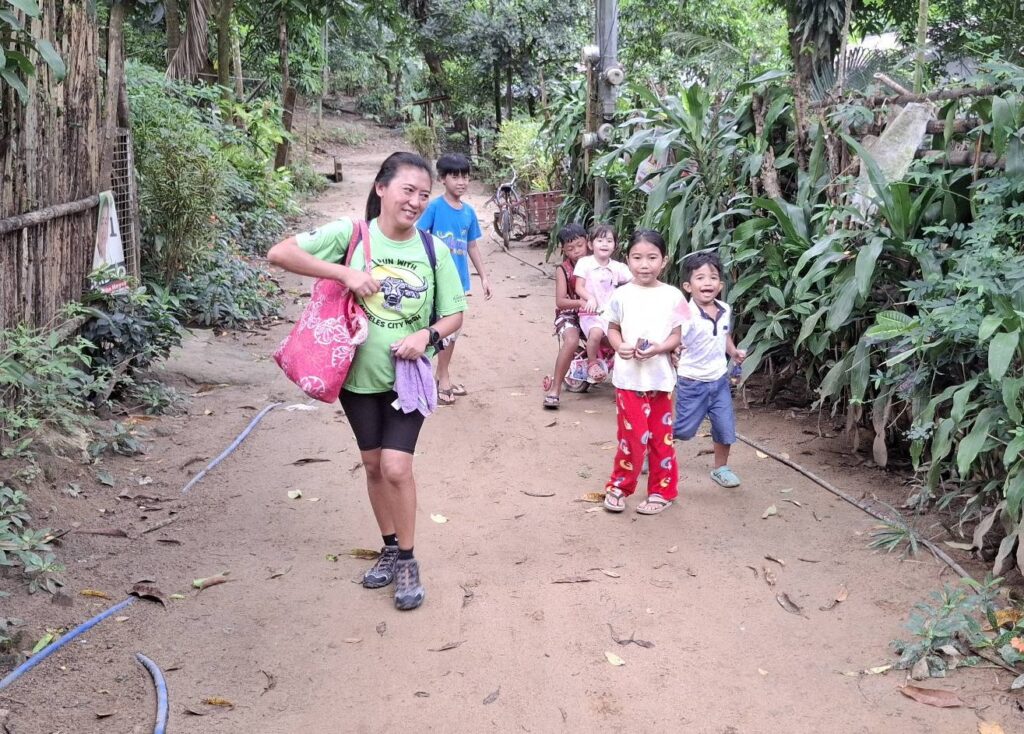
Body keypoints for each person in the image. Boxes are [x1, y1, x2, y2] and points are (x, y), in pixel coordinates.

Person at [267, 152, 466, 610]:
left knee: (396, 467)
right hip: (357, 378)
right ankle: (390, 547)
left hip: (408, 380)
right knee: (373, 465)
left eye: (424, 194)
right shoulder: (353, 235)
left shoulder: (433, 250)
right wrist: (346, 273)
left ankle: (409, 560)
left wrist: (426, 335)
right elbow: (281, 253)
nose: (415, 201)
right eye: (407, 190)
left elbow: (454, 313)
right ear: (381, 188)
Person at [601, 230, 684, 515]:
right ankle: (619, 486)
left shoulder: (673, 295)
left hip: (661, 381)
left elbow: (677, 335)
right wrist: (619, 346)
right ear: (627, 259)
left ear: (664, 261)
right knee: (633, 437)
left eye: (652, 258)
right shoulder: (620, 294)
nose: (644, 265)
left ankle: (663, 491)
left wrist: (661, 348)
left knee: (662, 439)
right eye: (637, 258)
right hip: (628, 380)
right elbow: (612, 328)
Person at [417, 153, 492, 405]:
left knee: (454, 330)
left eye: (465, 176)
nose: (461, 182)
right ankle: (440, 378)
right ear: (442, 179)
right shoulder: (434, 208)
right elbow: (419, 237)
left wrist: (484, 277)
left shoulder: (468, 213)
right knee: (441, 329)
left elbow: (471, 246)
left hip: (458, 282)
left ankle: (442, 374)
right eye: (455, 176)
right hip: (435, 281)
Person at [671, 252, 746, 488]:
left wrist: (733, 351)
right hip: (691, 381)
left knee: (725, 426)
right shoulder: (684, 313)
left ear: (720, 285)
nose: (707, 283)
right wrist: (674, 350)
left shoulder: (725, 308)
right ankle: (654, 448)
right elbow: (675, 338)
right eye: (700, 278)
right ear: (688, 286)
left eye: (713, 278)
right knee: (684, 430)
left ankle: (721, 468)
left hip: (719, 380)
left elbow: (724, 334)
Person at [574, 225, 631, 383]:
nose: (604, 244)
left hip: (611, 315)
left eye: (609, 241)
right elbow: (579, 287)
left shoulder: (618, 267)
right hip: (591, 313)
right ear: (590, 244)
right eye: (599, 240)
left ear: (615, 245)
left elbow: (635, 279)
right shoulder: (585, 263)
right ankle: (592, 364)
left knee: (625, 338)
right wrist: (590, 298)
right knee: (596, 332)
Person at [542, 223, 589, 409]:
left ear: (588, 243)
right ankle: (555, 389)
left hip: (594, 314)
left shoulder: (599, 264)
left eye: (580, 245)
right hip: (570, 314)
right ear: (563, 250)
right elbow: (561, 302)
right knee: (571, 340)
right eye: (570, 248)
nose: (576, 251)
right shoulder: (563, 270)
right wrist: (580, 303)